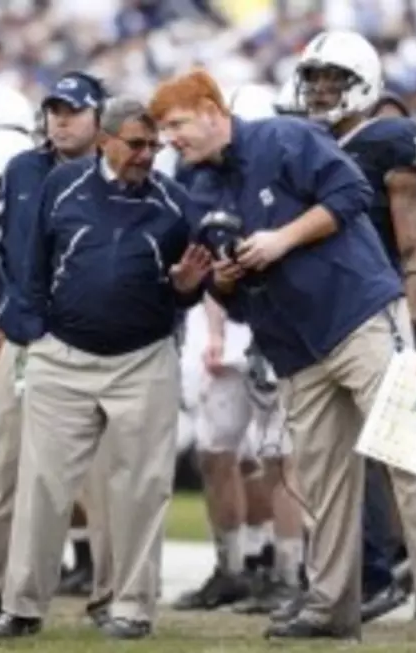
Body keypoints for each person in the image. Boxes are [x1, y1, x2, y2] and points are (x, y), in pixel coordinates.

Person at [150, 67, 410, 641]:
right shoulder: (212, 179)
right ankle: (326, 583)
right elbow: (223, 275)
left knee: (400, 446)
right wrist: (222, 284)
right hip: (294, 320)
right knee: (312, 464)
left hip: (373, 305)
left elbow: (414, 240)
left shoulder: (352, 146)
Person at [0, 97, 210, 640]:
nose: (146, 155)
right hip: (63, 355)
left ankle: (131, 607)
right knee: (42, 484)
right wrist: (33, 332)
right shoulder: (59, 188)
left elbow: (191, 282)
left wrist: (186, 289)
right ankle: (22, 606)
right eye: (136, 144)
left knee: (143, 487)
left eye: (153, 146)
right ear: (106, 139)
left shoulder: (175, 202)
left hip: (143, 358)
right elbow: (30, 263)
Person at [293, 30, 416, 631]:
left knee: (408, 449)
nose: (320, 91)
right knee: (321, 472)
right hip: (316, 322)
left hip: (378, 314)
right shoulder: (300, 139)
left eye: (333, 80)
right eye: (313, 80)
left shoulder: (390, 141)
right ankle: (333, 599)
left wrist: (412, 331)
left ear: (363, 82)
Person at [0, 72, 108, 629]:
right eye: (54, 110)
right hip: (28, 336)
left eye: (73, 110)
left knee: (99, 480)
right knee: (4, 471)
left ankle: (109, 593)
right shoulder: (21, 169)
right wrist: (18, 307)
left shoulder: (114, 168)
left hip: (95, 342)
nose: (61, 119)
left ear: (98, 115)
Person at [172, 83, 303, 617]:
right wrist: (216, 329)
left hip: (273, 320)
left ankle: (287, 571)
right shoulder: (200, 180)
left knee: (278, 455)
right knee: (215, 450)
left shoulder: (287, 181)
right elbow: (203, 263)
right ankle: (233, 569)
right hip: (222, 319)